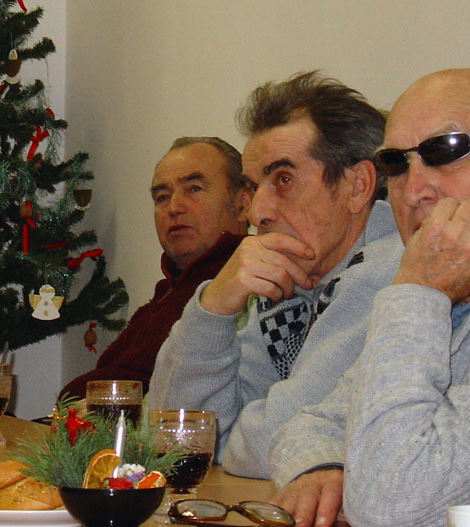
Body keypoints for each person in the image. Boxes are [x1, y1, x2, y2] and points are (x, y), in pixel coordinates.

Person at [269, 68, 470, 527]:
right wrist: (321, 468)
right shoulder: (462, 289)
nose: (412, 192)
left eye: (446, 150)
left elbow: (389, 498)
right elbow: (308, 424)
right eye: (396, 163)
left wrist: (418, 291)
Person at [147, 71, 402, 478]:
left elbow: (271, 442)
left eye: (283, 180)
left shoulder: (392, 274)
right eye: (253, 187)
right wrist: (212, 306)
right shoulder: (290, 279)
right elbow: (172, 436)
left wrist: (226, 440)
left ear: (358, 186)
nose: (256, 212)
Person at [59, 137, 250, 400]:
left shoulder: (247, 289)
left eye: (194, 189)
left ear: (243, 203)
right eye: (162, 197)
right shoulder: (166, 295)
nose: (174, 207)